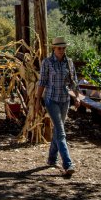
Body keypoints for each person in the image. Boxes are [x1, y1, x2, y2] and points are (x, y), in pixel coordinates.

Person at [35, 36, 81, 176]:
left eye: (63, 48)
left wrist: (77, 97)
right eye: (59, 48)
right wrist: (38, 100)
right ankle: (68, 164)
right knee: (61, 132)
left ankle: (51, 158)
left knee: (57, 131)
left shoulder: (69, 62)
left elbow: (74, 81)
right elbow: (42, 82)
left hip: (65, 99)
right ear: (53, 48)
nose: (61, 50)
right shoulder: (47, 62)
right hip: (51, 100)